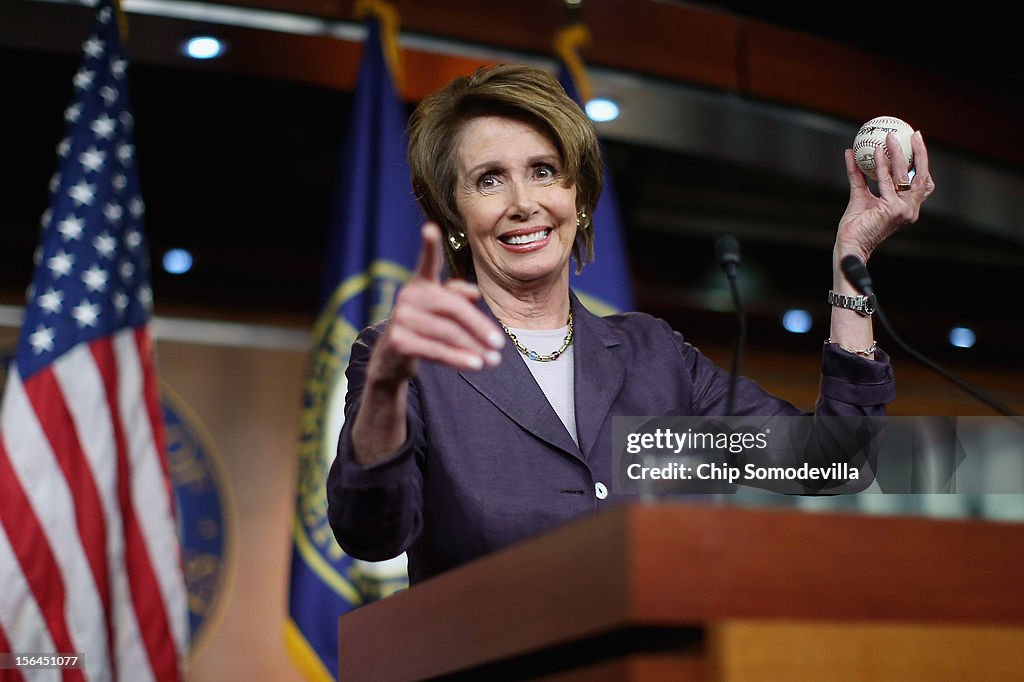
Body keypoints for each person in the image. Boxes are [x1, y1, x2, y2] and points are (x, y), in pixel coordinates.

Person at [326, 63, 935, 584]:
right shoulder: (407, 363)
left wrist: (851, 257)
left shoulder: (653, 357)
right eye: (489, 179)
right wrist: (384, 394)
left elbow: (832, 465)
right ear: (454, 213)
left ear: (579, 196)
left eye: (543, 170)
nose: (523, 201)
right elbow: (370, 534)